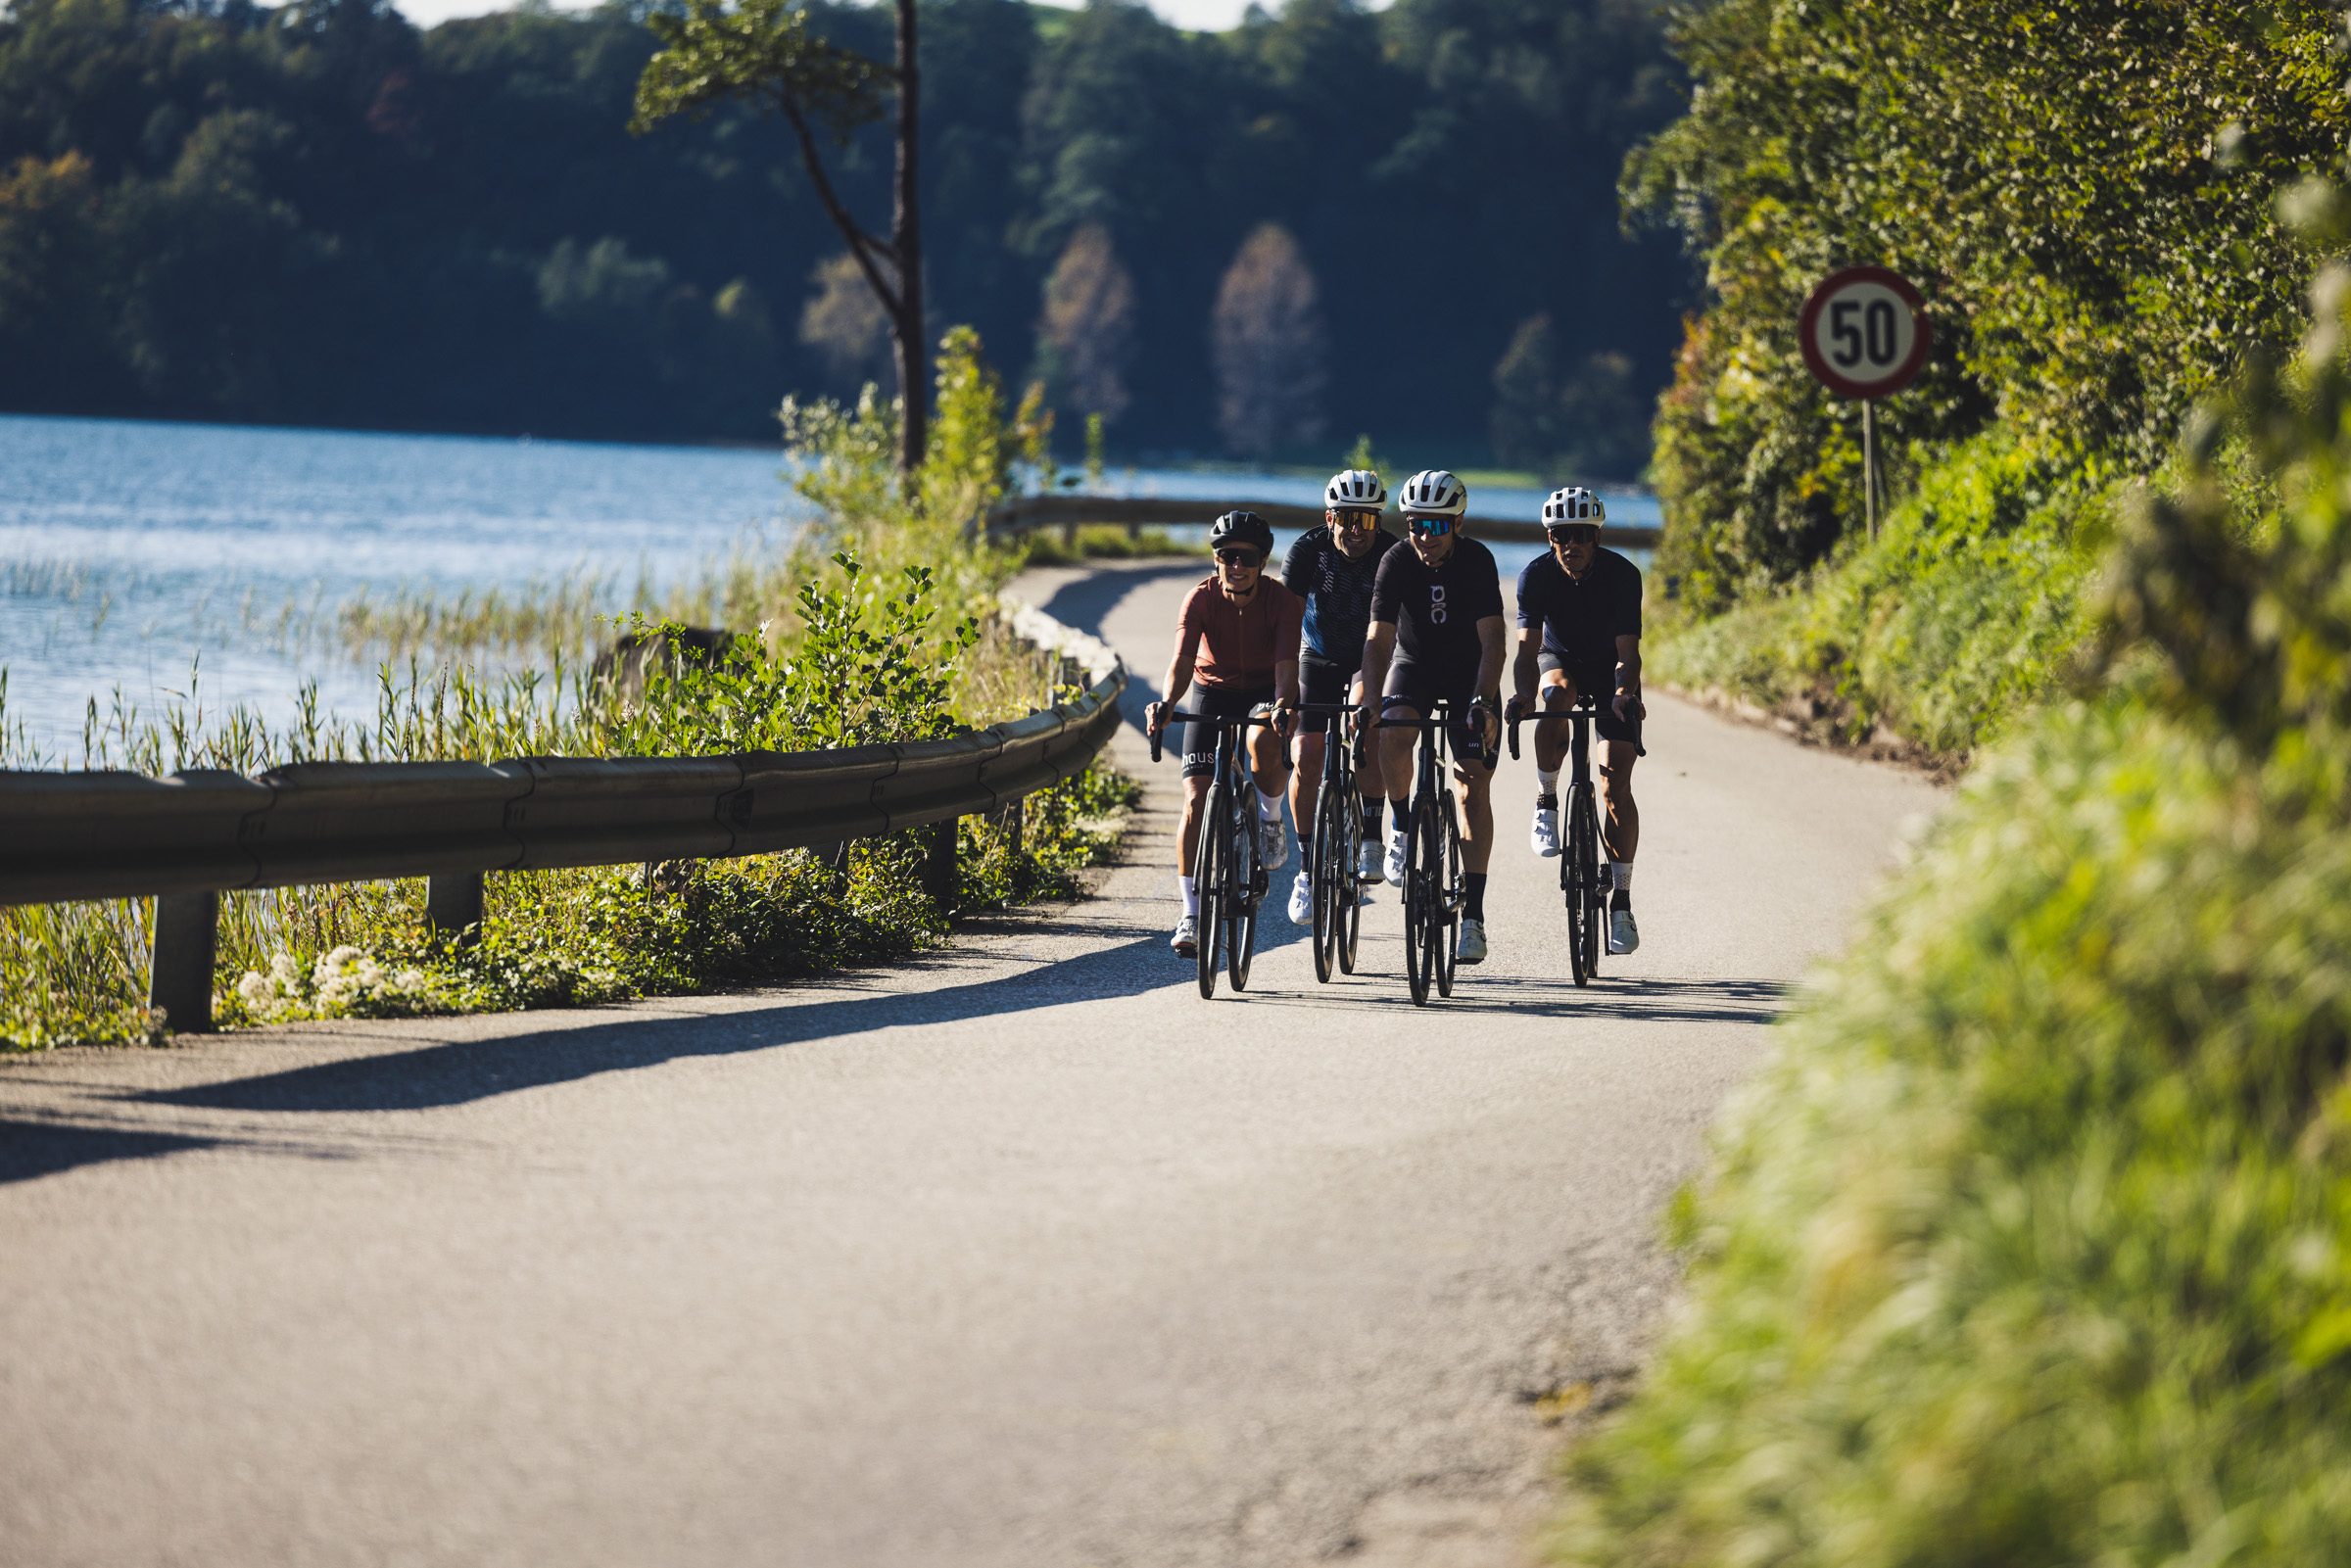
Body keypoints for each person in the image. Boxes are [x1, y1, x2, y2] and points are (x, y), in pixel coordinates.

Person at [1358, 469, 1506, 965]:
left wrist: (1485, 701)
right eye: (1417, 524)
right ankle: (1402, 827)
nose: (1425, 536)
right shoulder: (1396, 559)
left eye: (1437, 527)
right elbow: (1378, 639)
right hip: (1415, 666)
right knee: (1394, 735)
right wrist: (1370, 699)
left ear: (1457, 523)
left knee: (1471, 784)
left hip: (1468, 676)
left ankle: (1475, 917)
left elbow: (1493, 641)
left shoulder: (1479, 561)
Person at [1145, 509, 1302, 959]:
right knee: (1196, 800)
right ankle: (1192, 912)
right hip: (1211, 692)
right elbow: (1181, 661)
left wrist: (1283, 706)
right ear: (1216, 559)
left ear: (1262, 561)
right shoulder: (1199, 599)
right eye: (1227, 555)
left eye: (1246, 557)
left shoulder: (1282, 602)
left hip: (1262, 691)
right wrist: (1169, 704)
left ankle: (1271, 819)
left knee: (1261, 743)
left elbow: (1287, 668)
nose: (1236, 565)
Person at [1504, 485, 1644, 955]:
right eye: (1563, 534)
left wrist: (1625, 693)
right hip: (1559, 658)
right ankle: (1546, 799)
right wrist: (1525, 695)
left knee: (1613, 787)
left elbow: (1628, 654)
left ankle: (1621, 902)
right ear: (1550, 537)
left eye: (1581, 533)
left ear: (1596, 537)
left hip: (1611, 673)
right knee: (1556, 695)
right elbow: (1525, 648)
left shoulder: (1623, 575)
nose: (1572, 544)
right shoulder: (1536, 576)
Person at [1277, 467, 1399, 925]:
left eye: (1366, 520)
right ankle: (1307, 870)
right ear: (1330, 518)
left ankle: (1371, 833)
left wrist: (1371, 687)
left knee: (1367, 731)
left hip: (1372, 652)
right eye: (1347, 519)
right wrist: (1284, 696)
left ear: (1378, 522)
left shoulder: (1391, 553)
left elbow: (1394, 630)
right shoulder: (1307, 551)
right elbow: (1285, 627)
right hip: (1319, 653)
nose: (1355, 530)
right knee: (1307, 753)